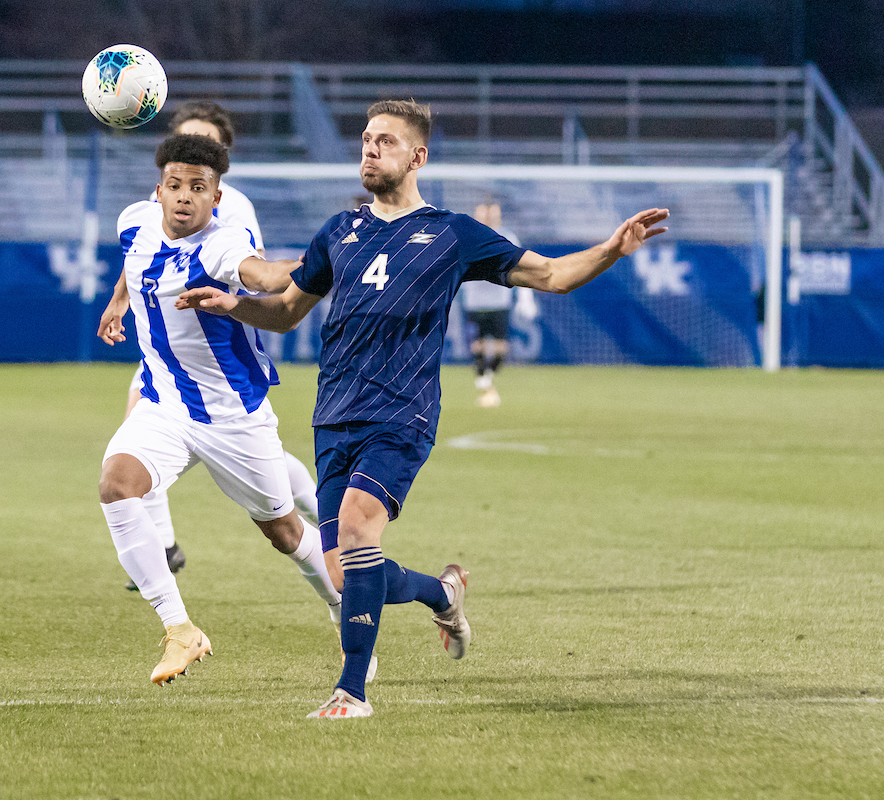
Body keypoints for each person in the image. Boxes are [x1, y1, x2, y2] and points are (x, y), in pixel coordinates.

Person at [177, 100, 669, 718]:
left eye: (385, 140)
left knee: (357, 529)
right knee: (344, 572)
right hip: (335, 413)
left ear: (418, 156)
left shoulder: (453, 234)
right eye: (365, 139)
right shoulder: (338, 232)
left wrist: (612, 249)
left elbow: (551, 275)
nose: (369, 148)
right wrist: (235, 306)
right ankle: (442, 593)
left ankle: (351, 691)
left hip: (402, 413)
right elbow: (284, 312)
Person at [96, 133, 343, 686]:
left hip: (233, 416)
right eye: (175, 185)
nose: (184, 196)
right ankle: (180, 629)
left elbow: (267, 276)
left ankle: (341, 605)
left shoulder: (222, 245)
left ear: (216, 197)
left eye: (198, 187)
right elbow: (133, 262)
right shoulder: (134, 222)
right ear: (159, 190)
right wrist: (119, 301)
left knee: (284, 533)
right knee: (117, 485)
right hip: (164, 403)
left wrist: (330, 258)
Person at [459, 202, 537, 407]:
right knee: (477, 345)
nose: (488, 218)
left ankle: (488, 377)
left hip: (499, 302)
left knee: (501, 348)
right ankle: (483, 381)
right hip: (474, 303)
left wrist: (526, 297)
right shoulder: (468, 237)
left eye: (492, 215)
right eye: (483, 215)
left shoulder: (508, 238)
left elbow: (521, 267)